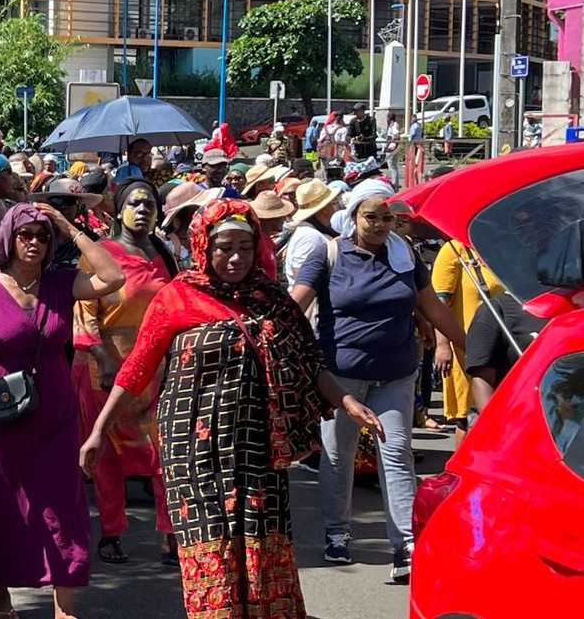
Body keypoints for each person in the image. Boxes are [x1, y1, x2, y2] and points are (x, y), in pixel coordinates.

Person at [79, 198, 383, 619]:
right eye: (224, 247)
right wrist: (99, 429)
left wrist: (347, 401)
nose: (235, 257)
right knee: (213, 546)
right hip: (196, 454)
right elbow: (137, 369)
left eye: (244, 246)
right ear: (205, 245)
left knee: (261, 540)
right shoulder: (177, 298)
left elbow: (310, 363)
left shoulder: (273, 300)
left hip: (260, 449)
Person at [0, 202, 126, 619]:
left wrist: (69, 227)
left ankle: (63, 606)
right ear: (9, 239)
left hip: (55, 415)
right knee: (0, 505)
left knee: (62, 504)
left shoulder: (62, 283)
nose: (34, 242)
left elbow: (114, 276)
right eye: (26, 234)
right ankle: (2, 598)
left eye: (43, 236)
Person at [290, 178, 466, 582]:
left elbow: (433, 308)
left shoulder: (405, 257)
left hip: (396, 374)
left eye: (388, 216)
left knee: (398, 453)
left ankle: (405, 544)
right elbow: (296, 305)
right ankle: (337, 534)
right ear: (353, 217)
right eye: (372, 216)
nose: (381, 224)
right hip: (340, 377)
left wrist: (466, 348)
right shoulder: (328, 253)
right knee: (338, 457)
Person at [71, 181, 177, 567]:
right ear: (118, 210)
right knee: (109, 455)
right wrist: (104, 358)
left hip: (157, 370)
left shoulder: (164, 253)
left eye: (150, 203)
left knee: (165, 451)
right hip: (107, 367)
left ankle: (170, 535)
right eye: (134, 203)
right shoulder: (101, 255)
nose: (143, 209)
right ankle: (112, 531)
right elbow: (83, 316)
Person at [431, 239, 503, 447]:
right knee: (469, 416)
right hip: (467, 347)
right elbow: (439, 303)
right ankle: (462, 469)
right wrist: (442, 345)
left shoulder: (501, 248)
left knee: (498, 410)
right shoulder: (454, 250)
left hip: (503, 346)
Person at [465, 290, 547, 413]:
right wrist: (492, 425)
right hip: (518, 415)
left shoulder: (574, 305)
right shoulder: (496, 309)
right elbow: (482, 378)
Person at [283, 179, 341, 287]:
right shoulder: (310, 237)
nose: (335, 208)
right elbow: (301, 275)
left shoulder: (311, 231)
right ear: (324, 209)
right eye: (333, 203)